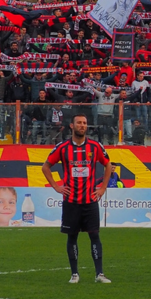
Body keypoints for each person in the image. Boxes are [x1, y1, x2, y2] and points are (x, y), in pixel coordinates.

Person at [43, 114, 112, 284]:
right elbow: (45, 167)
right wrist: (56, 186)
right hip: (71, 201)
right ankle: (74, 274)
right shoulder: (63, 147)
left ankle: (99, 274)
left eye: (85, 123)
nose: (82, 125)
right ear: (72, 126)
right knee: (71, 237)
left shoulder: (95, 147)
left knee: (95, 236)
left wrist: (103, 188)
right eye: (79, 123)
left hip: (90, 201)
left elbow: (108, 165)